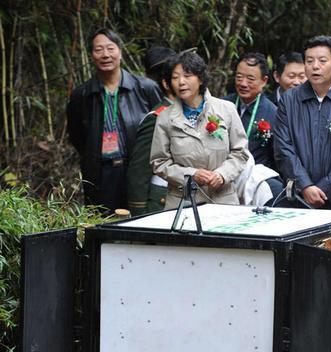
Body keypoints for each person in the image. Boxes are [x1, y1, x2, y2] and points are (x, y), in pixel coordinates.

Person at [67, 28, 161, 213]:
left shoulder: (145, 88)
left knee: (140, 223)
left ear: (120, 51)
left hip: (138, 171)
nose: (105, 55)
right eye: (98, 49)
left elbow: (162, 127)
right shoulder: (82, 94)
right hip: (100, 173)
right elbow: (77, 136)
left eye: (110, 48)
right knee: (103, 226)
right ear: (91, 55)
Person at [274, 35, 331, 210]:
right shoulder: (290, 100)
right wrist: (305, 186)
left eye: (322, 60)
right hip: (298, 198)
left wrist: (327, 188)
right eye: (309, 61)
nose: (315, 66)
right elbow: (283, 147)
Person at [150, 51, 249, 208]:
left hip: (223, 200)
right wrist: (191, 174)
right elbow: (159, 162)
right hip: (182, 202)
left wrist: (222, 174)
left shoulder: (226, 109)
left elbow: (240, 152)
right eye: (175, 78)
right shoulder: (165, 118)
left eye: (187, 75)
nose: (181, 82)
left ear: (201, 78)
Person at [224, 52, 283, 204]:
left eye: (250, 79)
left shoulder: (273, 113)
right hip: (222, 181)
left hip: (255, 185)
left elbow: (277, 158)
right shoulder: (222, 105)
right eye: (239, 77)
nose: (243, 83)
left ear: (264, 81)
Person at [127, 47, 176, 216]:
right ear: (166, 83)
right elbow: (139, 171)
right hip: (160, 201)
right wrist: (139, 211)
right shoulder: (156, 118)